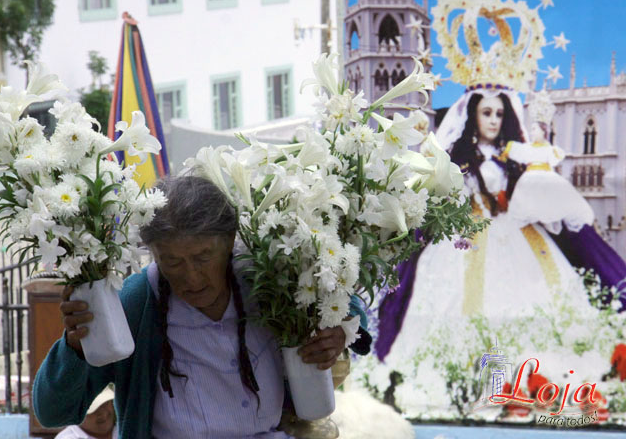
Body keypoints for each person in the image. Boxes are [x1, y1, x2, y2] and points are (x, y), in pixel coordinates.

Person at [33, 175, 370, 438]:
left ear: (230, 242)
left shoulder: (267, 276)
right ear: (152, 253)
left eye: (202, 257)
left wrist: (338, 330)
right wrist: (76, 346)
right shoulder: (136, 303)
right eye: (172, 262)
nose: (191, 278)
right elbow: (52, 412)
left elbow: (342, 300)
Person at [370, 88, 626, 417]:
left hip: (517, 233)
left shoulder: (512, 156)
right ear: (473, 116)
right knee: (468, 306)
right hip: (468, 238)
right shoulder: (458, 157)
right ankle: (472, 380)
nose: (493, 120)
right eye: (487, 113)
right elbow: (446, 198)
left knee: (537, 297)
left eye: (499, 114)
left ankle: (537, 378)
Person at [502, 120, 594, 235]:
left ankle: (548, 224)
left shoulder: (550, 149)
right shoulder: (527, 148)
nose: (532, 132)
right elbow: (514, 151)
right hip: (529, 178)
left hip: (545, 177)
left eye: (534, 129)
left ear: (543, 131)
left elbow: (554, 159)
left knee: (549, 202)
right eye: (532, 129)